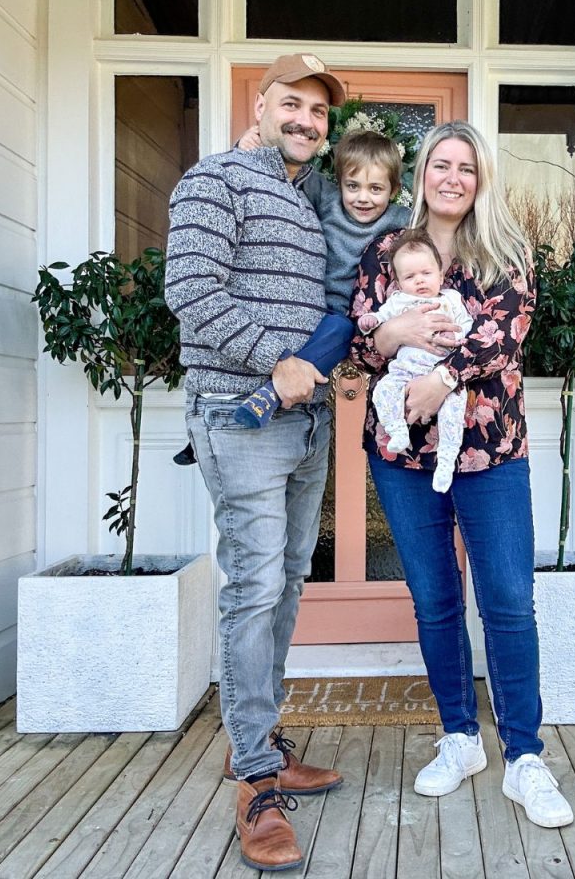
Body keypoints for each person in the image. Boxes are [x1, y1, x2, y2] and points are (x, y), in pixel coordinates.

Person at [349, 120, 574, 829]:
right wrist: (394, 334)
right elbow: (360, 336)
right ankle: (459, 738)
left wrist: (440, 378)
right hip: (401, 456)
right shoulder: (386, 249)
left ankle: (526, 756)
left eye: (466, 167)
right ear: (422, 175)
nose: (452, 177)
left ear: (481, 179)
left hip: (492, 450)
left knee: (508, 600)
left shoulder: (505, 250)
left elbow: (504, 334)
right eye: (440, 164)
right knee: (435, 598)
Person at [165, 53, 348, 872]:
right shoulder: (215, 181)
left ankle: (261, 741)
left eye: (318, 111)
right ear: (261, 104)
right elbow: (192, 292)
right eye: (292, 104)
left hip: (307, 423)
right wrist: (276, 359)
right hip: (240, 417)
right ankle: (254, 783)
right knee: (253, 588)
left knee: (288, 583)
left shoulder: (305, 200)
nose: (306, 119)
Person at [232, 128, 411, 428]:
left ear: (393, 191)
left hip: (344, 318)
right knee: (272, 350)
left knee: (337, 333)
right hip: (305, 306)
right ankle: (216, 420)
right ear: (339, 183)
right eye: (352, 186)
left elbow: (435, 225)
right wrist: (251, 144)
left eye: (375, 189)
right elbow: (289, 168)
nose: (362, 198)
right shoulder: (328, 200)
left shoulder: (400, 218)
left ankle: (269, 397)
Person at [356, 229, 473, 492]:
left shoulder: (451, 299)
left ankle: (446, 460)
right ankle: (397, 429)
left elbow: (468, 327)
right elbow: (378, 319)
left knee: (453, 411)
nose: (419, 281)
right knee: (383, 391)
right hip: (405, 371)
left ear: (441, 275)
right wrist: (370, 322)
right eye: (410, 276)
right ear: (398, 283)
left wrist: (458, 335)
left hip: (442, 372)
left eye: (426, 274)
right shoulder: (399, 301)